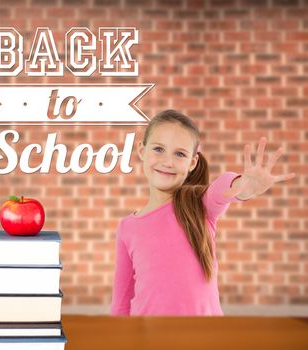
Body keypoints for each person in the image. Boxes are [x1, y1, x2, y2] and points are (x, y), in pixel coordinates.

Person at [110, 109, 295, 316]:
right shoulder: (128, 227)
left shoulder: (199, 203)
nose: (167, 161)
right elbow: (121, 302)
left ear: (193, 162)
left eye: (179, 154)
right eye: (159, 149)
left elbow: (222, 189)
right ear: (142, 150)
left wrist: (244, 185)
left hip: (205, 337)